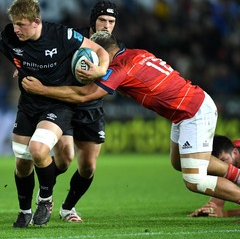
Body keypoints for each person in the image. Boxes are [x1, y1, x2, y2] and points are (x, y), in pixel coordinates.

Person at [22, 30, 240, 210]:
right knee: (178, 162)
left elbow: (84, 95)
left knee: (194, 180)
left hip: (193, 111)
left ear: (102, 52)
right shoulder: (137, 54)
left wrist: (43, 89)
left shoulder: (121, 68)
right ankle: (236, 175)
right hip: (185, 110)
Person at [0, 0, 110, 227]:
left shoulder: (61, 35)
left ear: (36, 22)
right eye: (14, 23)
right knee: (22, 162)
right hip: (28, 105)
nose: (16, 29)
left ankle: (45, 199)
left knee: (39, 150)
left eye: (21, 24)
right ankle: (24, 211)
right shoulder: (9, 35)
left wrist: (99, 70)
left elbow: (101, 52)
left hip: (58, 105)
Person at [55, 0, 119, 222]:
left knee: (88, 167)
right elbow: (48, 55)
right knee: (64, 160)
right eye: (102, 20)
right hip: (64, 104)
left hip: (91, 108)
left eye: (111, 21)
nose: (106, 25)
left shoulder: (114, 48)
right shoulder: (74, 38)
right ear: (93, 20)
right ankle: (45, 193)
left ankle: (67, 209)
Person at [189, 135, 240, 217]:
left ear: (235, 153)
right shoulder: (229, 153)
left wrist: (226, 213)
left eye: (223, 160)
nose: (219, 167)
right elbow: (217, 204)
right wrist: (210, 209)